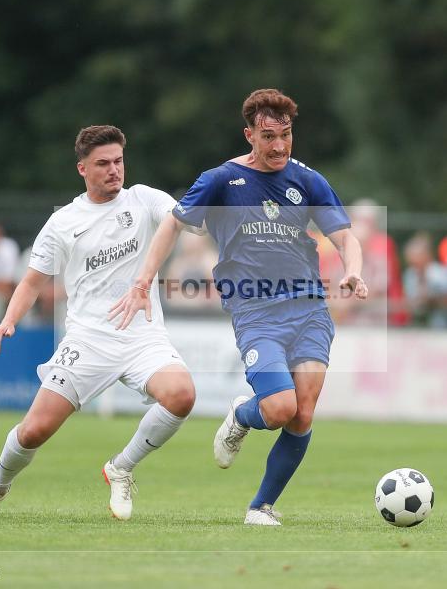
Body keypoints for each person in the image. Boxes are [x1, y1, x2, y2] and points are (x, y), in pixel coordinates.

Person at [109, 89, 368, 525]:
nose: (280, 146)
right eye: (269, 136)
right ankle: (242, 414)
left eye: (286, 135)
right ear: (250, 134)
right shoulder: (220, 180)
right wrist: (143, 280)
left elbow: (344, 236)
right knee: (279, 407)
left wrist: (353, 269)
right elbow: (173, 223)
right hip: (256, 314)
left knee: (302, 412)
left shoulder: (307, 180)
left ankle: (260, 507)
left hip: (308, 310)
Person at [0, 125, 196, 522]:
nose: (113, 170)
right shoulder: (63, 222)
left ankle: (121, 467)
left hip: (142, 335)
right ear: (82, 169)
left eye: (118, 161)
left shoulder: (143, 199)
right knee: (34, 431)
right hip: (87, 341)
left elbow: (177, 218)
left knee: (181, 394)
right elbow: (33, 281)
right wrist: (8, 320)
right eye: (102, 163)